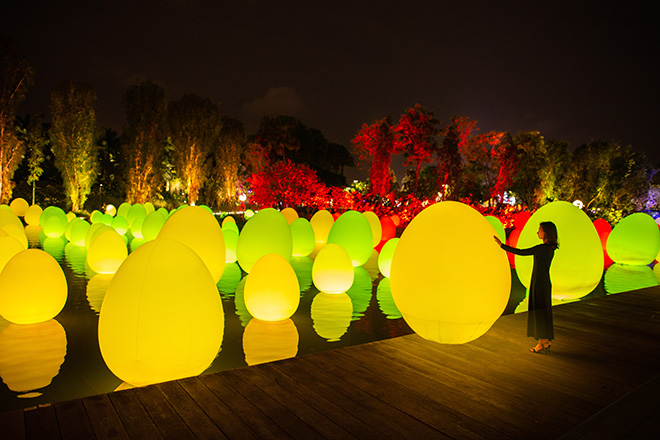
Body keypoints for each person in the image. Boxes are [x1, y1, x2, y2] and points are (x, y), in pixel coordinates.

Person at [493, 221, 558, 353]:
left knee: (538, 311)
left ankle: (541, 343)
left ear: (546, 232)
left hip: (539, 283)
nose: (537, 232)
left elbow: (521, 252)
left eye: (539, 229)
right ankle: (545, 341)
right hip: (543, 282)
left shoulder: (542, 249)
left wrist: (502, 245)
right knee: (543, 311)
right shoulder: (550, 248)